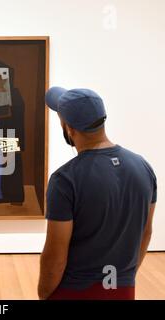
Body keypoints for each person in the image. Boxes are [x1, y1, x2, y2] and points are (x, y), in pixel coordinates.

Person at [38, 87, 157, 300]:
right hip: (123, 290)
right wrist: (124, 277)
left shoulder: (64, 180)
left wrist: (44, 293)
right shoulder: (143, 168)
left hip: (75, 292)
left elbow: (55, 256)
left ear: (69, 128)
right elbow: (146, 232)